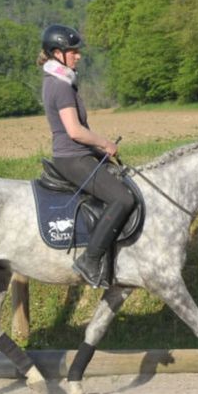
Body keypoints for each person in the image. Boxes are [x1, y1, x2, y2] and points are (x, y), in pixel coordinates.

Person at [39, 24, 136, 288]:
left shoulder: (61, 82)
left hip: (79, 154)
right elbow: (75, 131)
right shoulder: (60, 86)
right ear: (57, 53)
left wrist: (99, 151)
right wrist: (104, 144)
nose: (78, 55)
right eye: (73, 51)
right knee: (123, 199)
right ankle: (90, 260)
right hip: (72, 157)